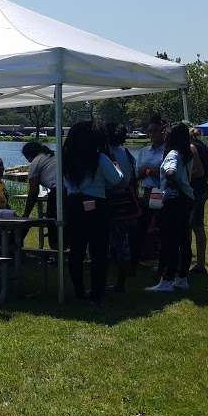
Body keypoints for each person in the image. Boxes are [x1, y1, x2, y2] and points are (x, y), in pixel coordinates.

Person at [63, 122, 124, 302]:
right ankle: (97, 293)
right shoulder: (99, 158)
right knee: (98, 251)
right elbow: (116, 180)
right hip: (96, 205)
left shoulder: (66, 158)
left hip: (74, 204)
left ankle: (78, 290)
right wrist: (116, 165)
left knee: (76, 250)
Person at [147, 123, 196, 292]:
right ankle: (182, 278)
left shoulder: (173, 154)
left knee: (170, 242)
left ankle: (167, 280)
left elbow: (170, 172)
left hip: (173, 202)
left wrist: (171, 186)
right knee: (184, 240)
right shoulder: (187, 153)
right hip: (187, 199)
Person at [105, 123, 138, 293]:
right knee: (123, 242)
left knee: (113, 242)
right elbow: (133, 175)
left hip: (112, 201)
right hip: (126, 200)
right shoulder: (126, 152)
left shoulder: (106, 154)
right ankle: (122, 278)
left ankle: (116, 282)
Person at [134, 115, 167, 271]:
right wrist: (148, 172)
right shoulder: (143, 151)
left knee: (159, 224)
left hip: (160, 191)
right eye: (149, 131)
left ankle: (159, 256)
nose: (151, 134)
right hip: (147, 191)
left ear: (162, 131)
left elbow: (165, 173)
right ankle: (144, 254)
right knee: (144, 223)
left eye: (154, 131)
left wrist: (148, 171)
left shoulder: (167, 151)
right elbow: (138, 173)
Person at [20, 141, 58, 248]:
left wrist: (26, 215)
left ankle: (56, 252)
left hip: (57, 193)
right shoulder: (52, 155)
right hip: (72, 192)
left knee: (53, 224)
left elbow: (33, 191)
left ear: (29, 155)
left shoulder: (35, 162)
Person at [189, 127, 208, 274]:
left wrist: (182, 176)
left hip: (195, 190)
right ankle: (199, 261)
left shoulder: (191, 147)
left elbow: (198, 171)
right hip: (202, 188)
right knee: (197, 225)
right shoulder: (201, 145)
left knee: (193, 225)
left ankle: (200, 264)